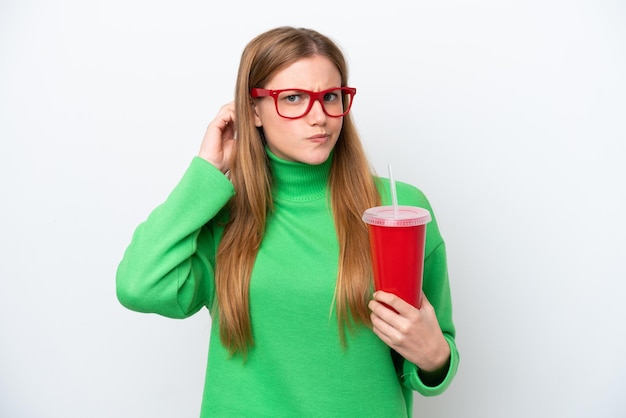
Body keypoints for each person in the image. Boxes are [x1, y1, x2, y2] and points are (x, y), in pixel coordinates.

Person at [116, 26, 459, 417]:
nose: (320, 117)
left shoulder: (398, 211)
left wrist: (436, 358)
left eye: (330, 96)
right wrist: (205, 174)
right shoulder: (220, 216)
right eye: (293, 98)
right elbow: (138, 286)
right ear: (253, 111)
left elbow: (434, 352)